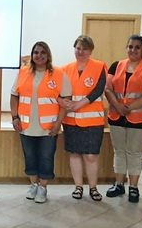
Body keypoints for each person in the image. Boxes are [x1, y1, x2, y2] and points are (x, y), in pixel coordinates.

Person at [10, 42, 70, 203]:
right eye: (36, 52)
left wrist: (58, 123)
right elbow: (14, 95)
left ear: (48, 55)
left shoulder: (59, 73)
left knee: (46, 157)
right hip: (26, 125)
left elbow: (66, 101)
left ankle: (43, 187)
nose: (39, 55)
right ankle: (33, 185)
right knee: (29, 156)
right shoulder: (23, 72)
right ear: (32, 55)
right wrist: (14, 117)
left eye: (43, 52)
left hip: (49, 127)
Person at [104, 35, 142, 203]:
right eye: (130, 46)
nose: (133, 50)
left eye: (137, 47)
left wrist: (129, 107)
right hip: (116, 116)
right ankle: (119, 184)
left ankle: (133, 187)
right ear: (126, 48)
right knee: (119, 151)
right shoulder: (116, 66)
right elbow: (107, 89)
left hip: (139, 117)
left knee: (134, 152)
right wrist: (118, 106)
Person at [61, 35, 108, 201]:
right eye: (78, 48)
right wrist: (63, 102)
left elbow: (98, 90)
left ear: (91, 51)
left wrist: (79, 104)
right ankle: (78, 186)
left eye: (85, 49)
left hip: (93, 120)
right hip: (70, 119)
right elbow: (58, 91)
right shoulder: (65, 69)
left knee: (91, 156)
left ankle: (93, 188)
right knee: (74, 154)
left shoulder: (99, 66)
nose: (81, 52)